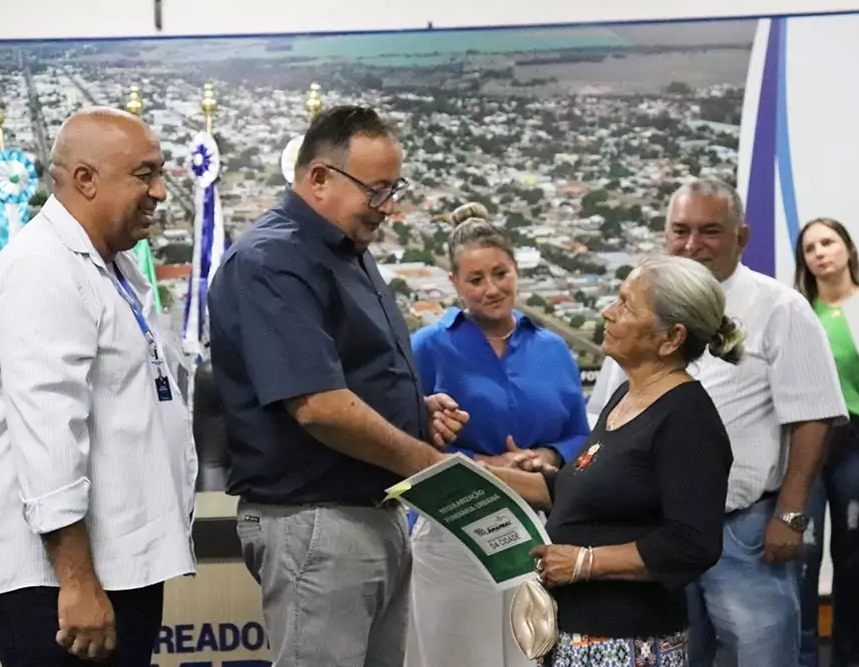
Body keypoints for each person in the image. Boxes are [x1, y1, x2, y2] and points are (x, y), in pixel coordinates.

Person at [207, 104, 469, 667]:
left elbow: (343, 377)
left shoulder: (347, 250)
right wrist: (430, 466)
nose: (389, 207)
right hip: (319, 523)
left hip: (371, 512)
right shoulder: (273, 260)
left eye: (394, 189)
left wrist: (413, 412)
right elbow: (320, 407)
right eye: (376, 191)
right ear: (319, 177)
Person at [0, 108, 198, 666]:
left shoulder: (107, 266)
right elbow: (50, 437)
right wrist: (77, 581)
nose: (160, 192)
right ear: (85, 179)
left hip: (111, 565)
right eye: (145, 175)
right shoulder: (42, 272)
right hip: (57, 587)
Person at [588, 178, 847, 667]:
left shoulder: (780, 308)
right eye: (680, 230)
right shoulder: (637, 314)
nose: (692, 244)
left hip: (742, 531)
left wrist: (790, 517)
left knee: (761, 657)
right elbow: (604, 417)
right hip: (653, 535)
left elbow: (813, 416)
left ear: (741, 237)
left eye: (710, 231)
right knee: (674, 655)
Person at [481, 254, 737, 665]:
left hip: (626, 641)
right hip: (576, 632)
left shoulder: (688, 419)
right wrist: (485, 477)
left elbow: (693, 543)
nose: (608, 311)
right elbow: (574, 486)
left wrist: (585, 562)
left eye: (625, 305)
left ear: (670, 338)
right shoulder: (626, 396)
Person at [405, 202, 590, 667]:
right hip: (452, 533)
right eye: (476, 279)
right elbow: (405, 439)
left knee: (527, 653)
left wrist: (544, 455)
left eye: (501, 273)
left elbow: (581, 438)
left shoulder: (553, 348)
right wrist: (487, 466)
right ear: (453, 284)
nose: (492, 289)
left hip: (535, 533)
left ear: (515, 269)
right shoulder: (428, 348)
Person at [794, 218, 859, 667]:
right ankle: (800, 657)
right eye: (810, 247)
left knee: (850, 552)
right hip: (806, 443)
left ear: (847, 249)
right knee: (805, 551)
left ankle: (847, 655)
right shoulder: (800, 313)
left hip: (856, 442)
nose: (820, 252)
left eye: (828, 242)